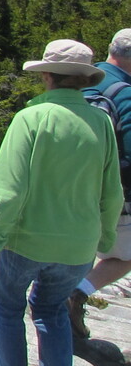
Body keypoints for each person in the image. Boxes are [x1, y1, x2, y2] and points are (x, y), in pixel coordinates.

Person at [0, 39, 121, 366]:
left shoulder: (30, 118)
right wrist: (105, 239)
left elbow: (10, 191)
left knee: (9, 310)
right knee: (51, 310)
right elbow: (112, 191)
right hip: (79, 246)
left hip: (24, 241)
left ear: (47, 75)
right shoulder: (101, 122)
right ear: (84, 79)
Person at [68, 28, 131, 339]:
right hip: (112, 193)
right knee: (124, 256)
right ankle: (78, 292)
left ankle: (56, 297)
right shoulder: (124, 92)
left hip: (68, 186)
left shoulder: (81, 84)